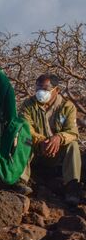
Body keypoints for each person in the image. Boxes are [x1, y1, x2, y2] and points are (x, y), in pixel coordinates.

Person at [17, 73, 82, 204]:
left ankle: (72, 187)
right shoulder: (28, 104)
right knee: (22, 138)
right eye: (38, 89)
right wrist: (41, 141)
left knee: (73, 145)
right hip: (36, 150)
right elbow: (25, 127)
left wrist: (59, 137)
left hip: (56, 154)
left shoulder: (67, 107)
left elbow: (73, 132)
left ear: (56, 90)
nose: (41, 92)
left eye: (45, 89)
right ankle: (21, 180)